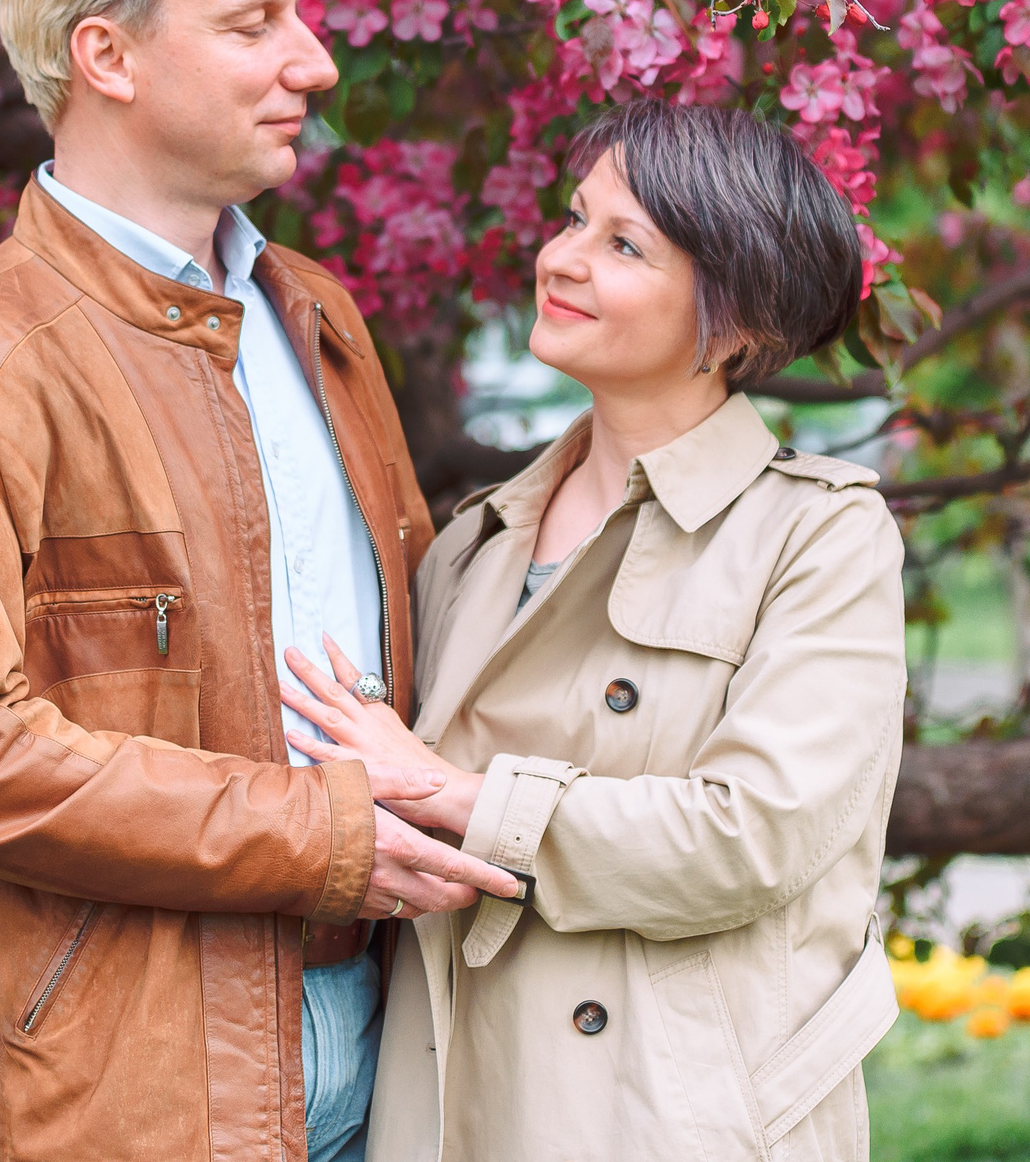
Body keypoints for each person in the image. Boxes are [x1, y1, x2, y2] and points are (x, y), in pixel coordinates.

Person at [0, 0, 520, 1162]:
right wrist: (317, 836)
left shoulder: (317, 316)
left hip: (403, 1042)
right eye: (253, 25)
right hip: (131, 1088)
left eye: (297, 18)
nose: (312, 63)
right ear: (108, 56)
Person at [280, 99, 908, 1162]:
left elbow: (749, 836)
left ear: (734, 322)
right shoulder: (472, 544)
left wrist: (445, 790)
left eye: (624, 244)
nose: (562, 259)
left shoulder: (818, 533)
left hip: (673, 1118)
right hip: (459, 1107)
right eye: (574, 218)